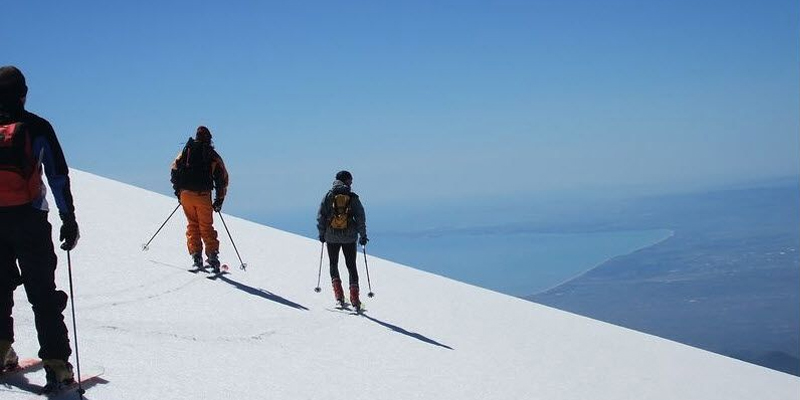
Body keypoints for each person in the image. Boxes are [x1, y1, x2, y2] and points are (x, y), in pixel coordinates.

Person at [0, 66, 79, 389]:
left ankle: (2, 349)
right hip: (30, 220)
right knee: (42, 294)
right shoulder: (37, 127)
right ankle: (57, 366)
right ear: (24, 93)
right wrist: (68, 217)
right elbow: (57, 176)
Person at [170, 126, 229, 273]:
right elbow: (222, 178)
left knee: (193, 224)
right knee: (206, 226)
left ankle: (196, 257)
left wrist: (179, 193)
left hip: (186, 195)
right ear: (209, 139)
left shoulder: (186, 151)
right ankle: (213, 258)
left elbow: (174, 170)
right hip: (202, 195)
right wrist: (219, 200)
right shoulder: (212, 155)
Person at [316, 170, 369, 310]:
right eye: (350, 181)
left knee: (333, 264)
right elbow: (360, 217)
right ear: (346, 181)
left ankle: (339, 297)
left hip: (331, 236)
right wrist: (363, 236)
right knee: (351, 266)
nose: (351, 183)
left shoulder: (329, 195)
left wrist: (322, 234)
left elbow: (321, 215)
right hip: (349, 237)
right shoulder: (352, 197)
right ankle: (355, 300)